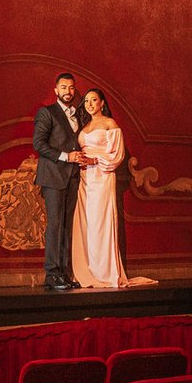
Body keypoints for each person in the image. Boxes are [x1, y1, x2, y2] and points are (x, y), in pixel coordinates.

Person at [71, 88, 130, 288]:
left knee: (101, 222)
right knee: (86, 222)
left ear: (102, 103)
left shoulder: (109, 124)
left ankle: (105, 272)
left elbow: (117, 155)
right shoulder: (84, 125)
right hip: (84, 177)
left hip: (101, 176)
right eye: (86, 100)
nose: (89, 103)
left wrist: (95, 159)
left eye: (93, 100)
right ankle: (87, 270)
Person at [32, 73, 86, 292]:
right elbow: (38, 144)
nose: (68, 91)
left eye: (72, 88)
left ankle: (64, 273)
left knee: (67, 226)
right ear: (56, 90)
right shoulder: (47, 113)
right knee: (55, 225)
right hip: (53, 176)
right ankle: (52, 274)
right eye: (64, 87)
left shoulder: (79, 115)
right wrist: (66, 156)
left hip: (73, 178)